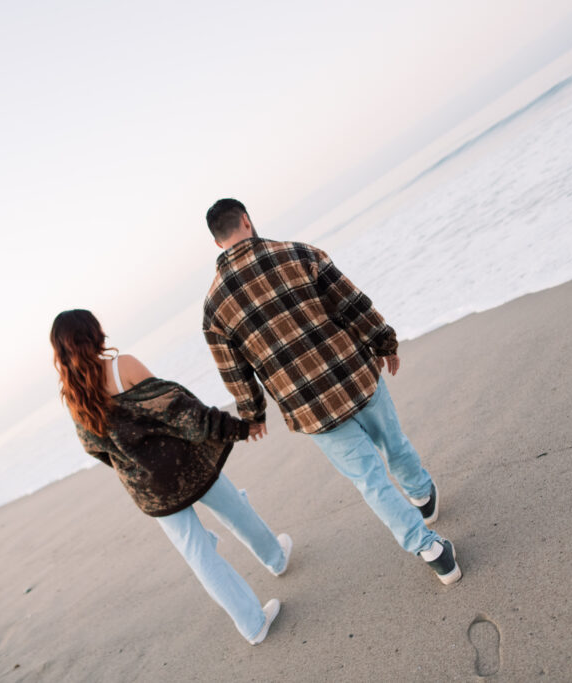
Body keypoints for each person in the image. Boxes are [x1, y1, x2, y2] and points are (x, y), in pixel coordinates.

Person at [201, 199, 461, 585]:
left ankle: (431, 551)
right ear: (246, 220)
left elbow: (236, 374)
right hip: (355, 374)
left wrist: (253, 416)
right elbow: (351, 302)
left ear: (217, 242)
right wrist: (384, 341)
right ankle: (423, 497)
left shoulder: (214, 307)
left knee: (369, 480)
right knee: (394, 442)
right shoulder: (299, 253)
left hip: (310, 409)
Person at [50, 309, 293, 645]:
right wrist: (235, 427)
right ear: (94, 333)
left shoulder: (74, 398)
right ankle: (276, 559)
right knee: (234, 508)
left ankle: (252, 625)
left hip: (150, 489)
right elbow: (180, 412)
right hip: (185, 464)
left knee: (198, 554)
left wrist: (133, 466)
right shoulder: (124, 366)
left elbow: (96, 449)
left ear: (61, 349)